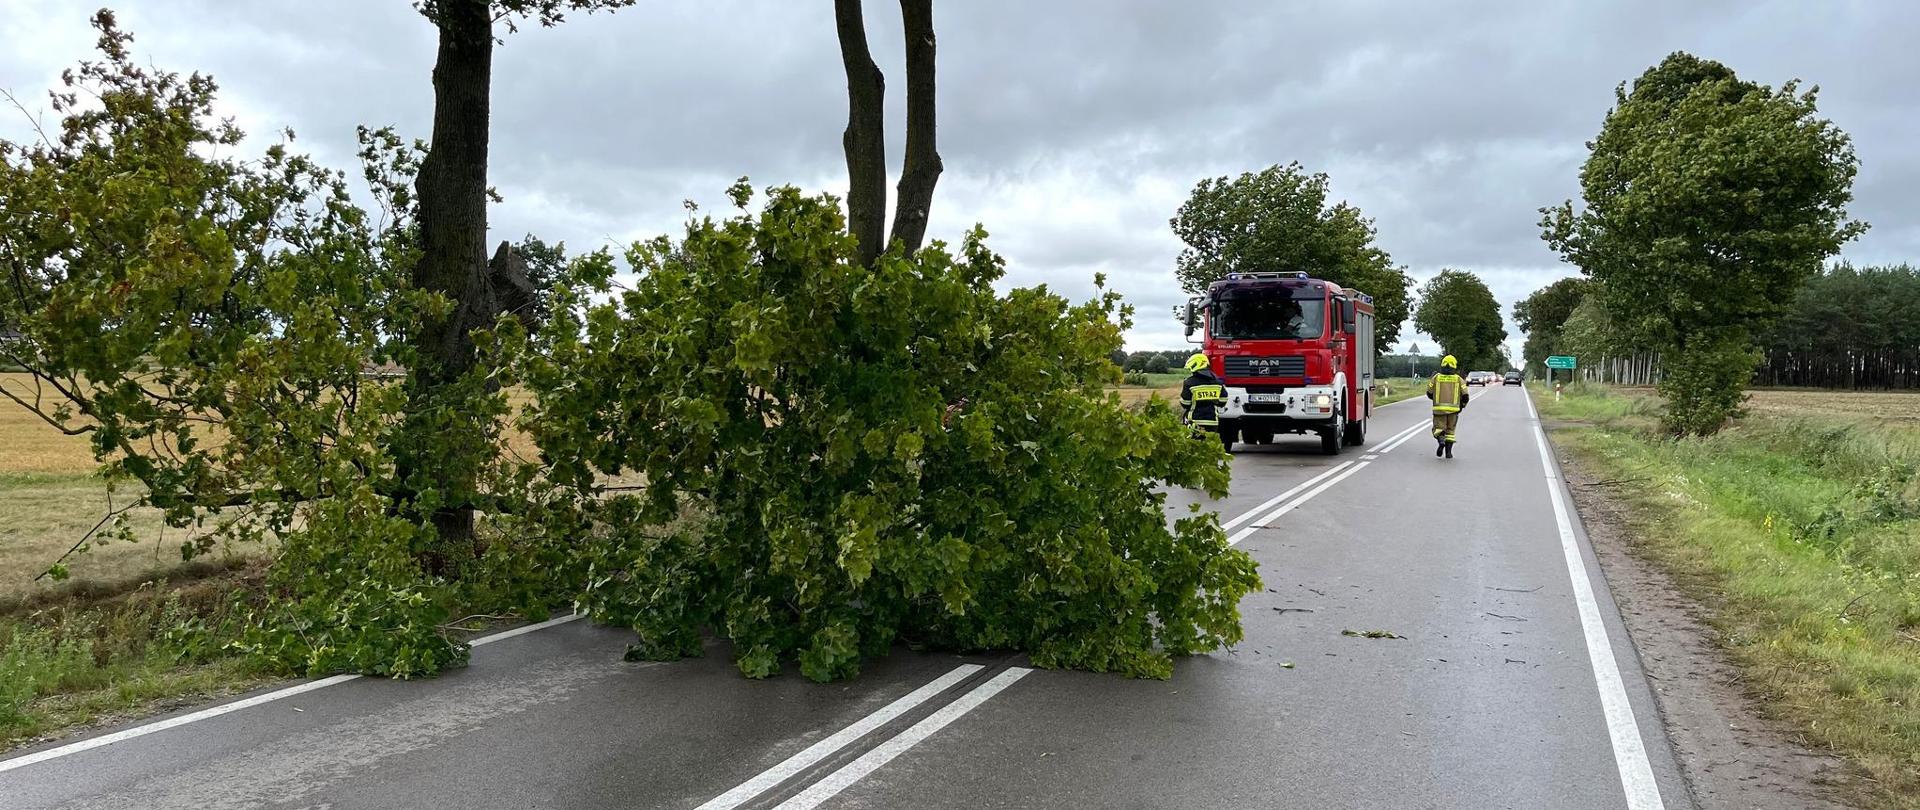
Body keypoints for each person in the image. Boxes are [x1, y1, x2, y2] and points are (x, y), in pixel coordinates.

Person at [1425, 354, 1469, 458]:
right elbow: (1465, 396)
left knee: (1438, 429)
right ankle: (1448, 453)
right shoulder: (1459, 379)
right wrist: (1462, 406)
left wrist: (1435, 399)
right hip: (1454, 411)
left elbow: (1429, 392)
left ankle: (1441, 440)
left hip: (1439, 410)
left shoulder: (1436, 377)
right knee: (1450, 431)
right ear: (1454, 366)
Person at [1178, 353, 1227, 444]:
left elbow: (1185, 403)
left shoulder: (1189, 382)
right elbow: (1223, 401)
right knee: (1210, 448)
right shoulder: (1217, 382)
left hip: (1195, 422)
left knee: (1194, 447)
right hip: (1213, 422)